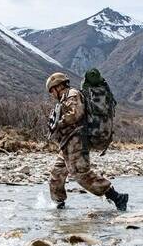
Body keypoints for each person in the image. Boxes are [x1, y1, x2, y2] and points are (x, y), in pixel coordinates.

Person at [46, 72, 128, 211]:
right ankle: (59, 206)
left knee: (82, 175)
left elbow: (76, 114)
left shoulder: (72, 94)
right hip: (67, 142)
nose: (52, 94)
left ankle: (116, 196)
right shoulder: (64, 98)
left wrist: (59, 123)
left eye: (52, 90)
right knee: (56, 175)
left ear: (58, 86)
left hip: (77, 140)